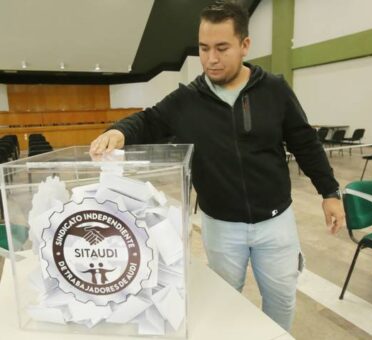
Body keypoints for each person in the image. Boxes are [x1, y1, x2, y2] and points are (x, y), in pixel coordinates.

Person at [90, 0, 345, 331]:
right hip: (221, 227)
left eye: (222, 48)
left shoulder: (274, 90)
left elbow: (306, 144)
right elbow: (149, 120)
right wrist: (119, 131)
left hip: (276, 224)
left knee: (281, 300)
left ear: (244, 45)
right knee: (225, 299)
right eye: (204, 48)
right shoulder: (187, 100)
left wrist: (330, 191)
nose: (211, 58)